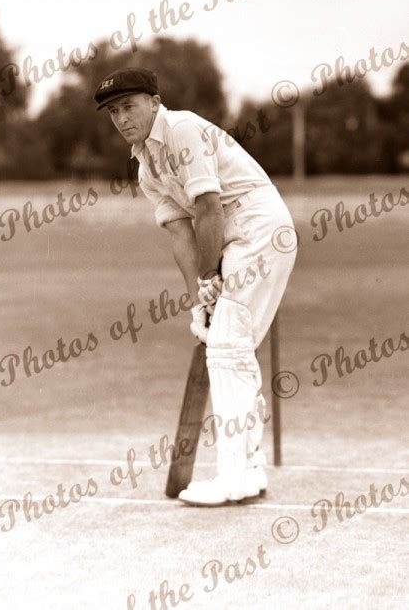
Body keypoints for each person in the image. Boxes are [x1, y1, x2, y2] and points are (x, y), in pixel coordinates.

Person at [94, 67, 297, 507]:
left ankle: (235, 478)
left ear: (154, 100)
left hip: (259, 230)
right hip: (231, 238)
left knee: (227, 349)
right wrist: (198, 298)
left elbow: (208, 207)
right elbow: (179, 232)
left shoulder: (183, 131)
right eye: (113, 112)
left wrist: (211, 277)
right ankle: (250, 468)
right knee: (230, 346)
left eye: (129, 106)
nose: (122, 118)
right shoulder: (145, 164)